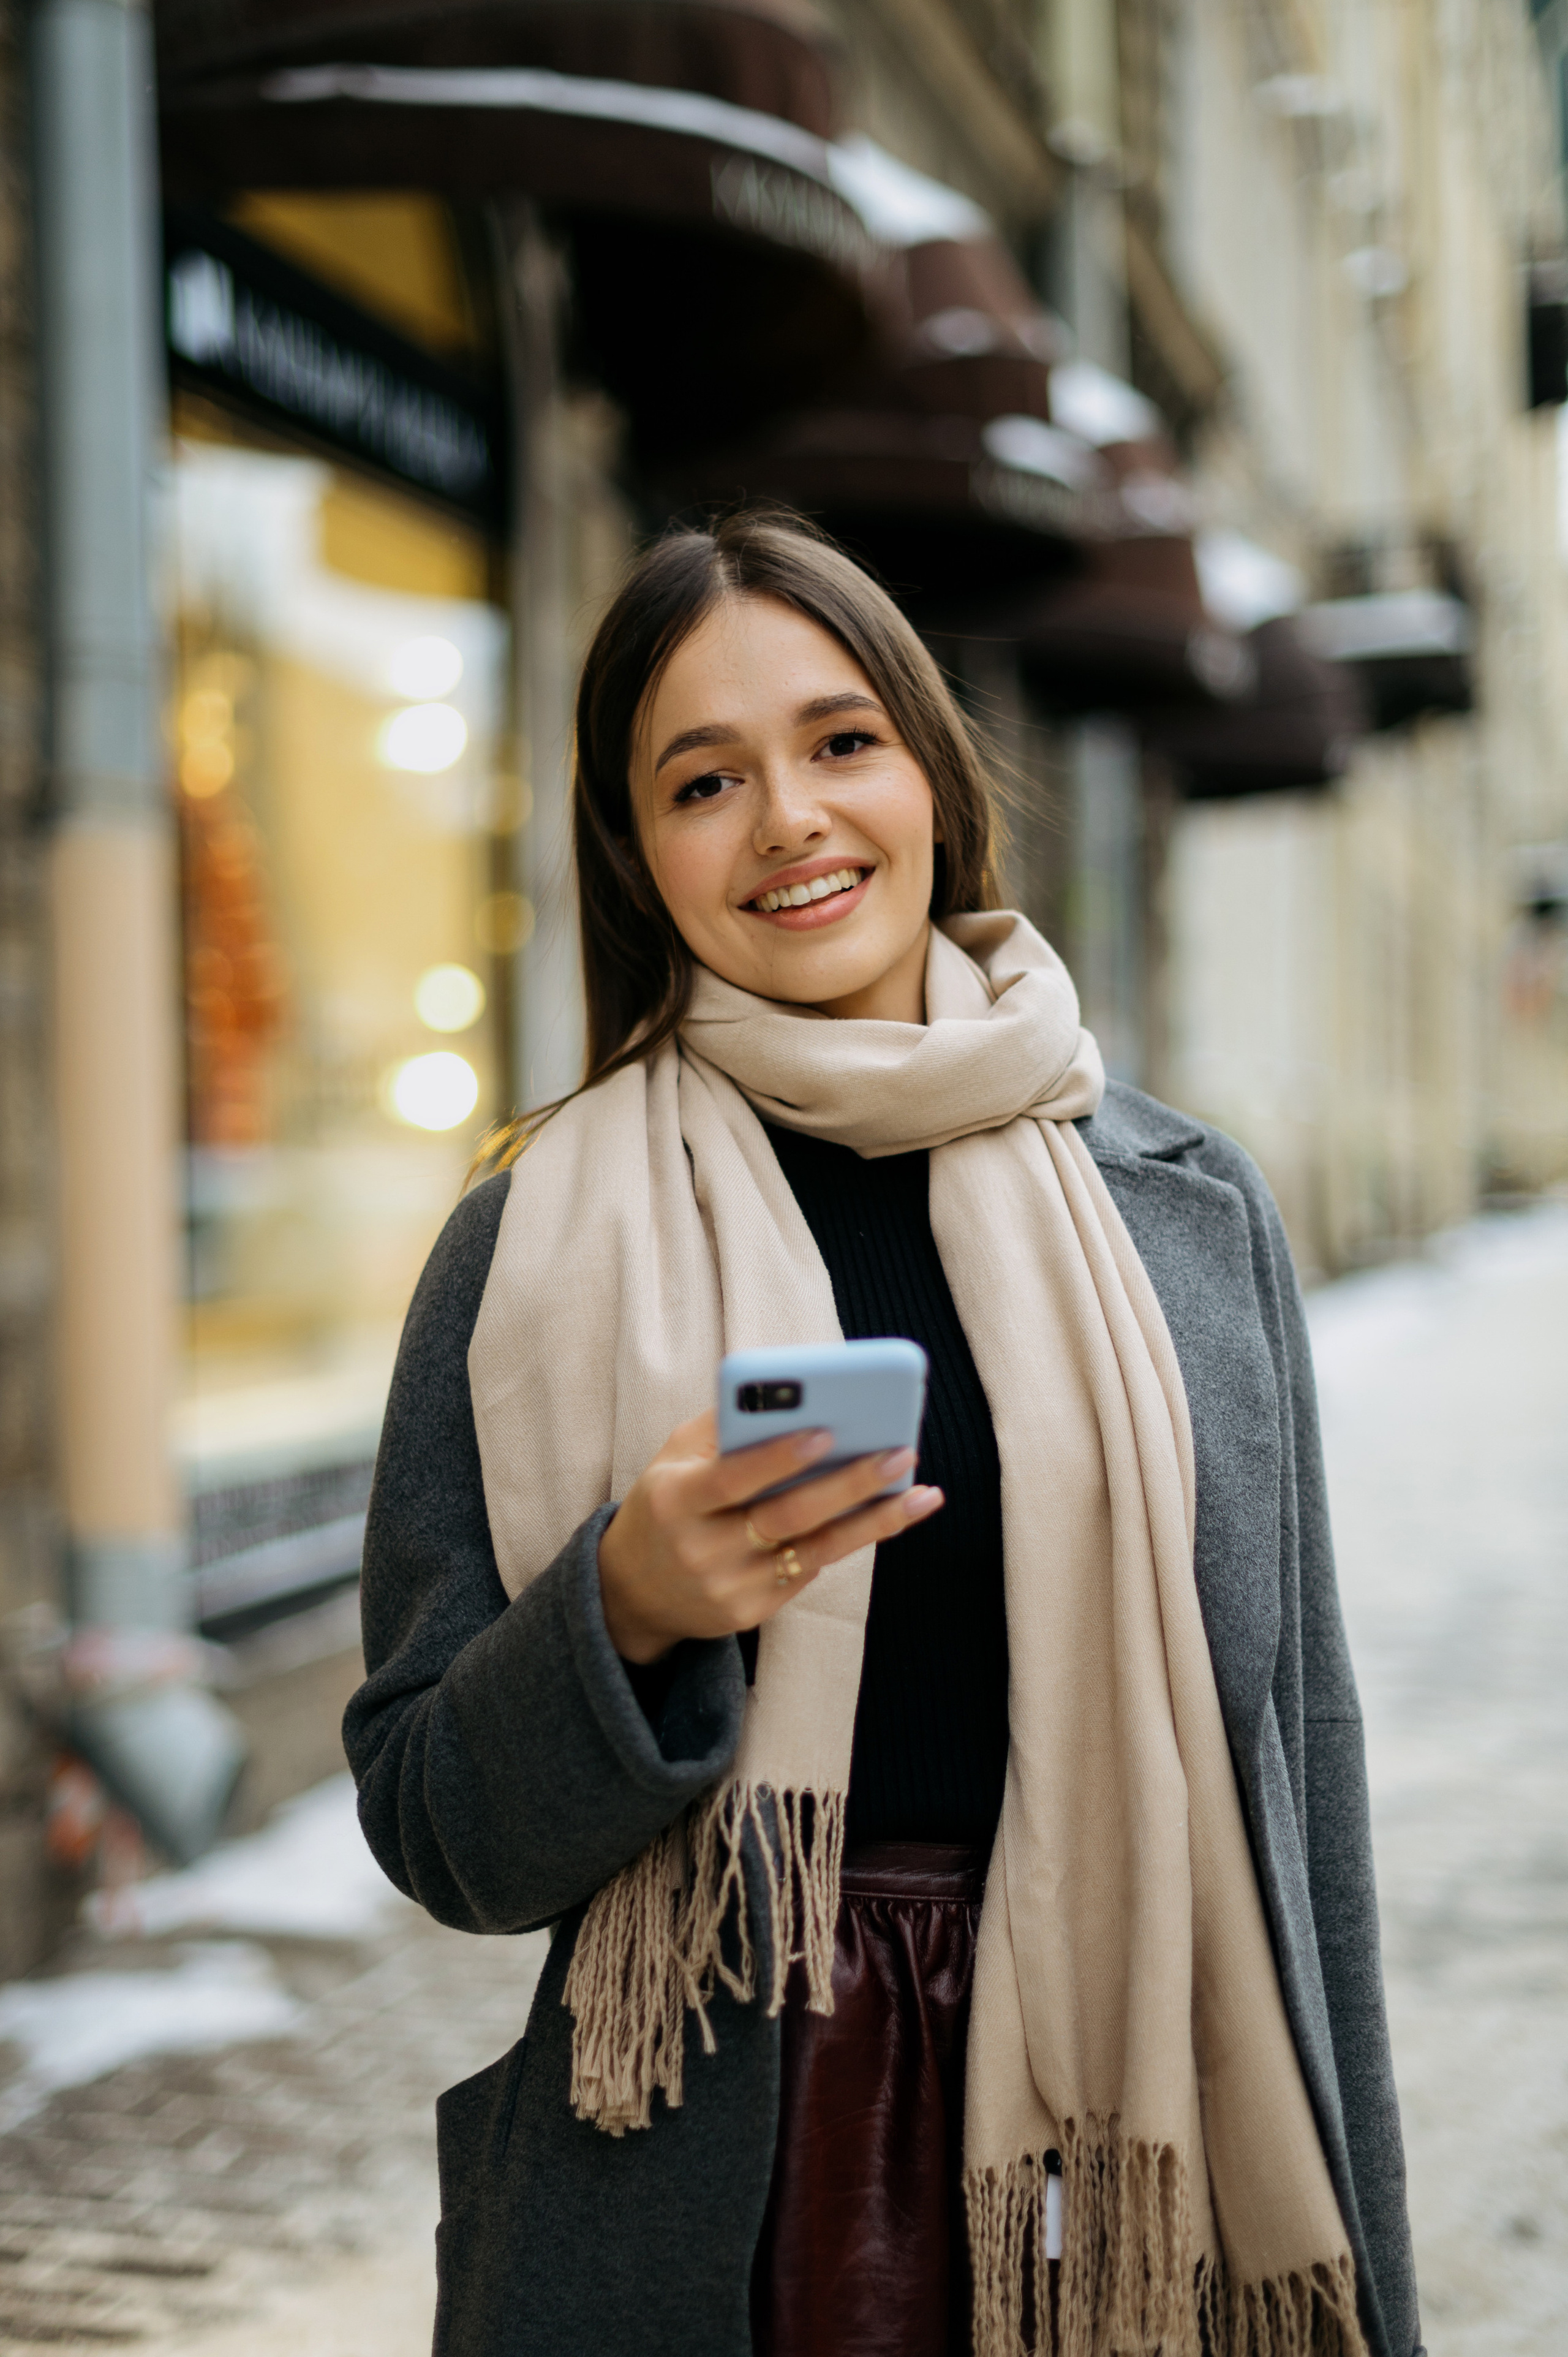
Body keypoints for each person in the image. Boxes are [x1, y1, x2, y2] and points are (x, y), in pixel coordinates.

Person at [345, 512, 1423, 2357]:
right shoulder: (531, 1241)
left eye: (841, 742)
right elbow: (438, 1823)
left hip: (1131, 2110)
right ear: (637, 851)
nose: (789, 822)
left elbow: (1296, 1779)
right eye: (705, 779)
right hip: (712, 2161)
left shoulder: (1183, 1212)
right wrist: (628, 1605)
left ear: (929, 766)